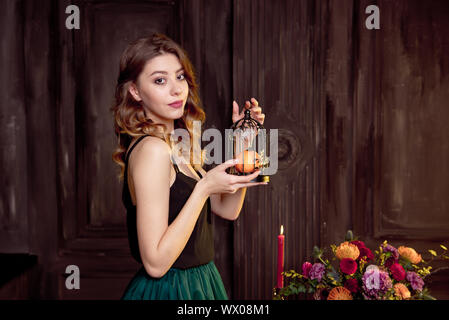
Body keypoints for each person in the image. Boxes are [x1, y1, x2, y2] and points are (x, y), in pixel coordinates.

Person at [111, 33, 267, 300]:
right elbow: (156, 264)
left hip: (201, 283)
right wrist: (203, 188)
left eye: (180, 76)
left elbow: (227, 210)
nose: (176, 89)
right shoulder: (152, 150)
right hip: (169, 290)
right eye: (160, 80)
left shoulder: (177, 145)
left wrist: (243, 146)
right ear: (135, 91)